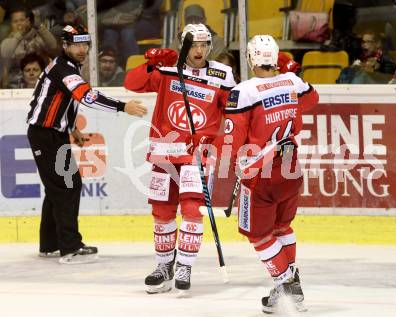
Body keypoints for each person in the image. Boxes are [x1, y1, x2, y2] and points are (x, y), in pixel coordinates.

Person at [193, 35, 318, 313]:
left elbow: (232, 139)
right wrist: (291, 74)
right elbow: (312, 101)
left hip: (259, 175)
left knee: (259, 235)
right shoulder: (292, 81)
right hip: (290, 167)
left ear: (250, 59)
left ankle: (288, 284)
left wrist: (210, 152)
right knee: (281, 227)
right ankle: (283, 285)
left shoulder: (244, 91)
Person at [124, 23, 236, 293]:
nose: (199, 50)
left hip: (197, 156)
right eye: (194, 45)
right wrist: (150, 63)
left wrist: (218, 143)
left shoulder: (222, 74)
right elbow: (132, 83)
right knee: (161, 212)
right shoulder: (166, 69)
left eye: (204, 45)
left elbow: (235, 114)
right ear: (182, 45)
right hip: (164, 153)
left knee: (190, 210)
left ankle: (185, 265)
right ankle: (164, 266)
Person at [26, 24, 147, 264]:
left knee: (58, 187)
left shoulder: (68, 66)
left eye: (85, 45)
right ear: (65, 46)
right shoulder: (64, 69)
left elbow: (61, 100)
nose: (82, 50)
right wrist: (123, 107)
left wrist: (72, 127)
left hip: (52, 133)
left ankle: (49, 244)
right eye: (76, 45)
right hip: (45, 135)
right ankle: (69, 247)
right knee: (66, 187)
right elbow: (86, 96)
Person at [0, 8, 59, 88]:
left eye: (22, 20)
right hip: (15, 86)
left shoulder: (40, 39)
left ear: (29, 21)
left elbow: (53, 46)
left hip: (41, 83)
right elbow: (5, 53)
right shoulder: (8, 41)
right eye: (15, 21)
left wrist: (39, 26)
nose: (19, 24)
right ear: (11, 24)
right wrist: (21, 33)